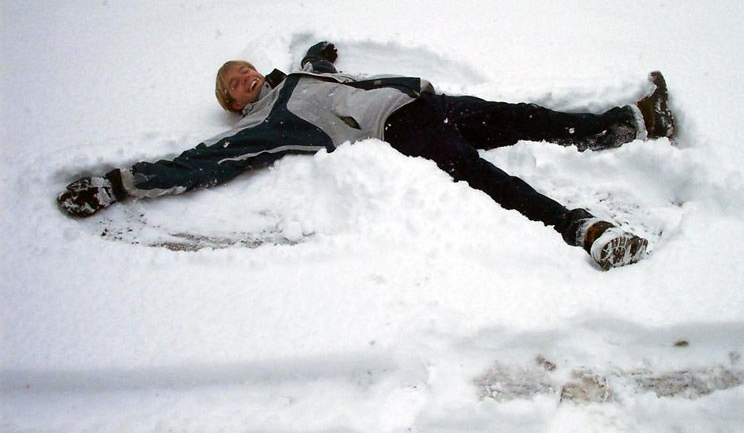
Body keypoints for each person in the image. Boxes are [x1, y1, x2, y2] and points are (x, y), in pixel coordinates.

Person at [57, 41, 677, 270]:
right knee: (486, 178)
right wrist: (118, 184)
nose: (246, 78)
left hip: (426, 101)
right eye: (235, 84)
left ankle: (619, 127)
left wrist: (322, 58)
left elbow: (323, 74)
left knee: (523, 118)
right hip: (401, 130)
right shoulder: (265, 123)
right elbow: (197, 162)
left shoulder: (295, 78)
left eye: (247, 70)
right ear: (231, 105)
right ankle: (584, 229)